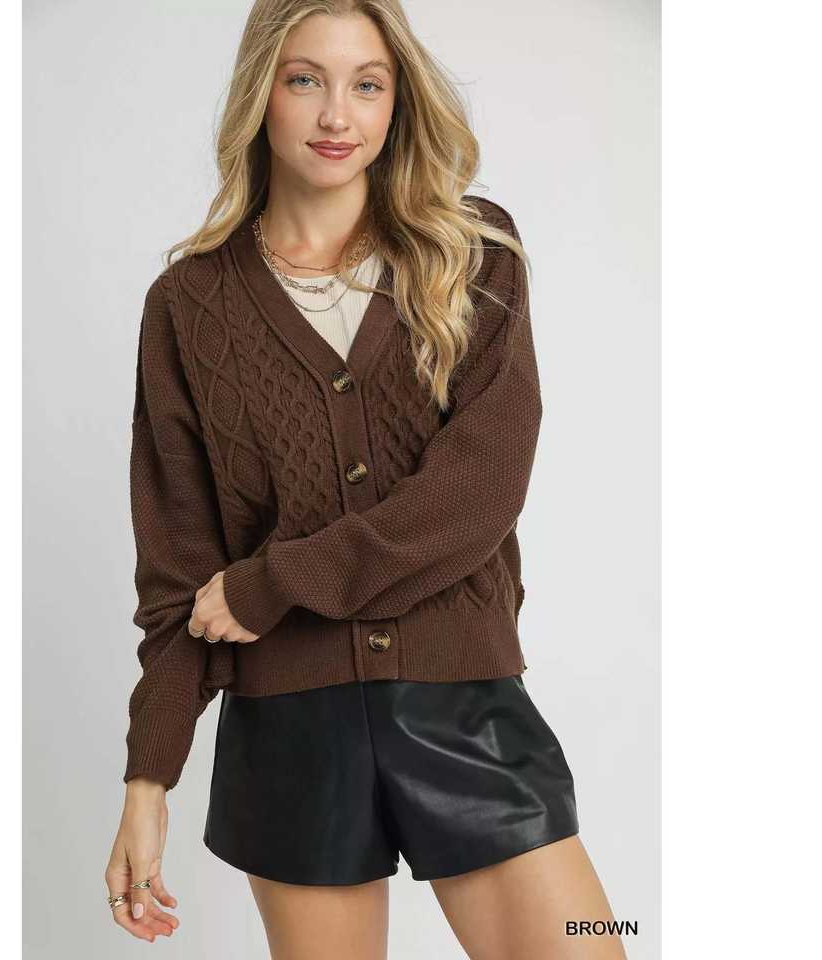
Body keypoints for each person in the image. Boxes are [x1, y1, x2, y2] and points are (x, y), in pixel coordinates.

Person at [105, 2, 627, 957]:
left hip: (461, 704)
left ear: (397, 102)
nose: (336, 114)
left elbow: (478, 491)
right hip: (290, 732)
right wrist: (148, 781)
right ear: (261, 91)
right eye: (305, 79)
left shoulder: (471, 253)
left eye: (367, 84)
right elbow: (180, 571)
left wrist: (276, 582)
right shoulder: (188, 305)